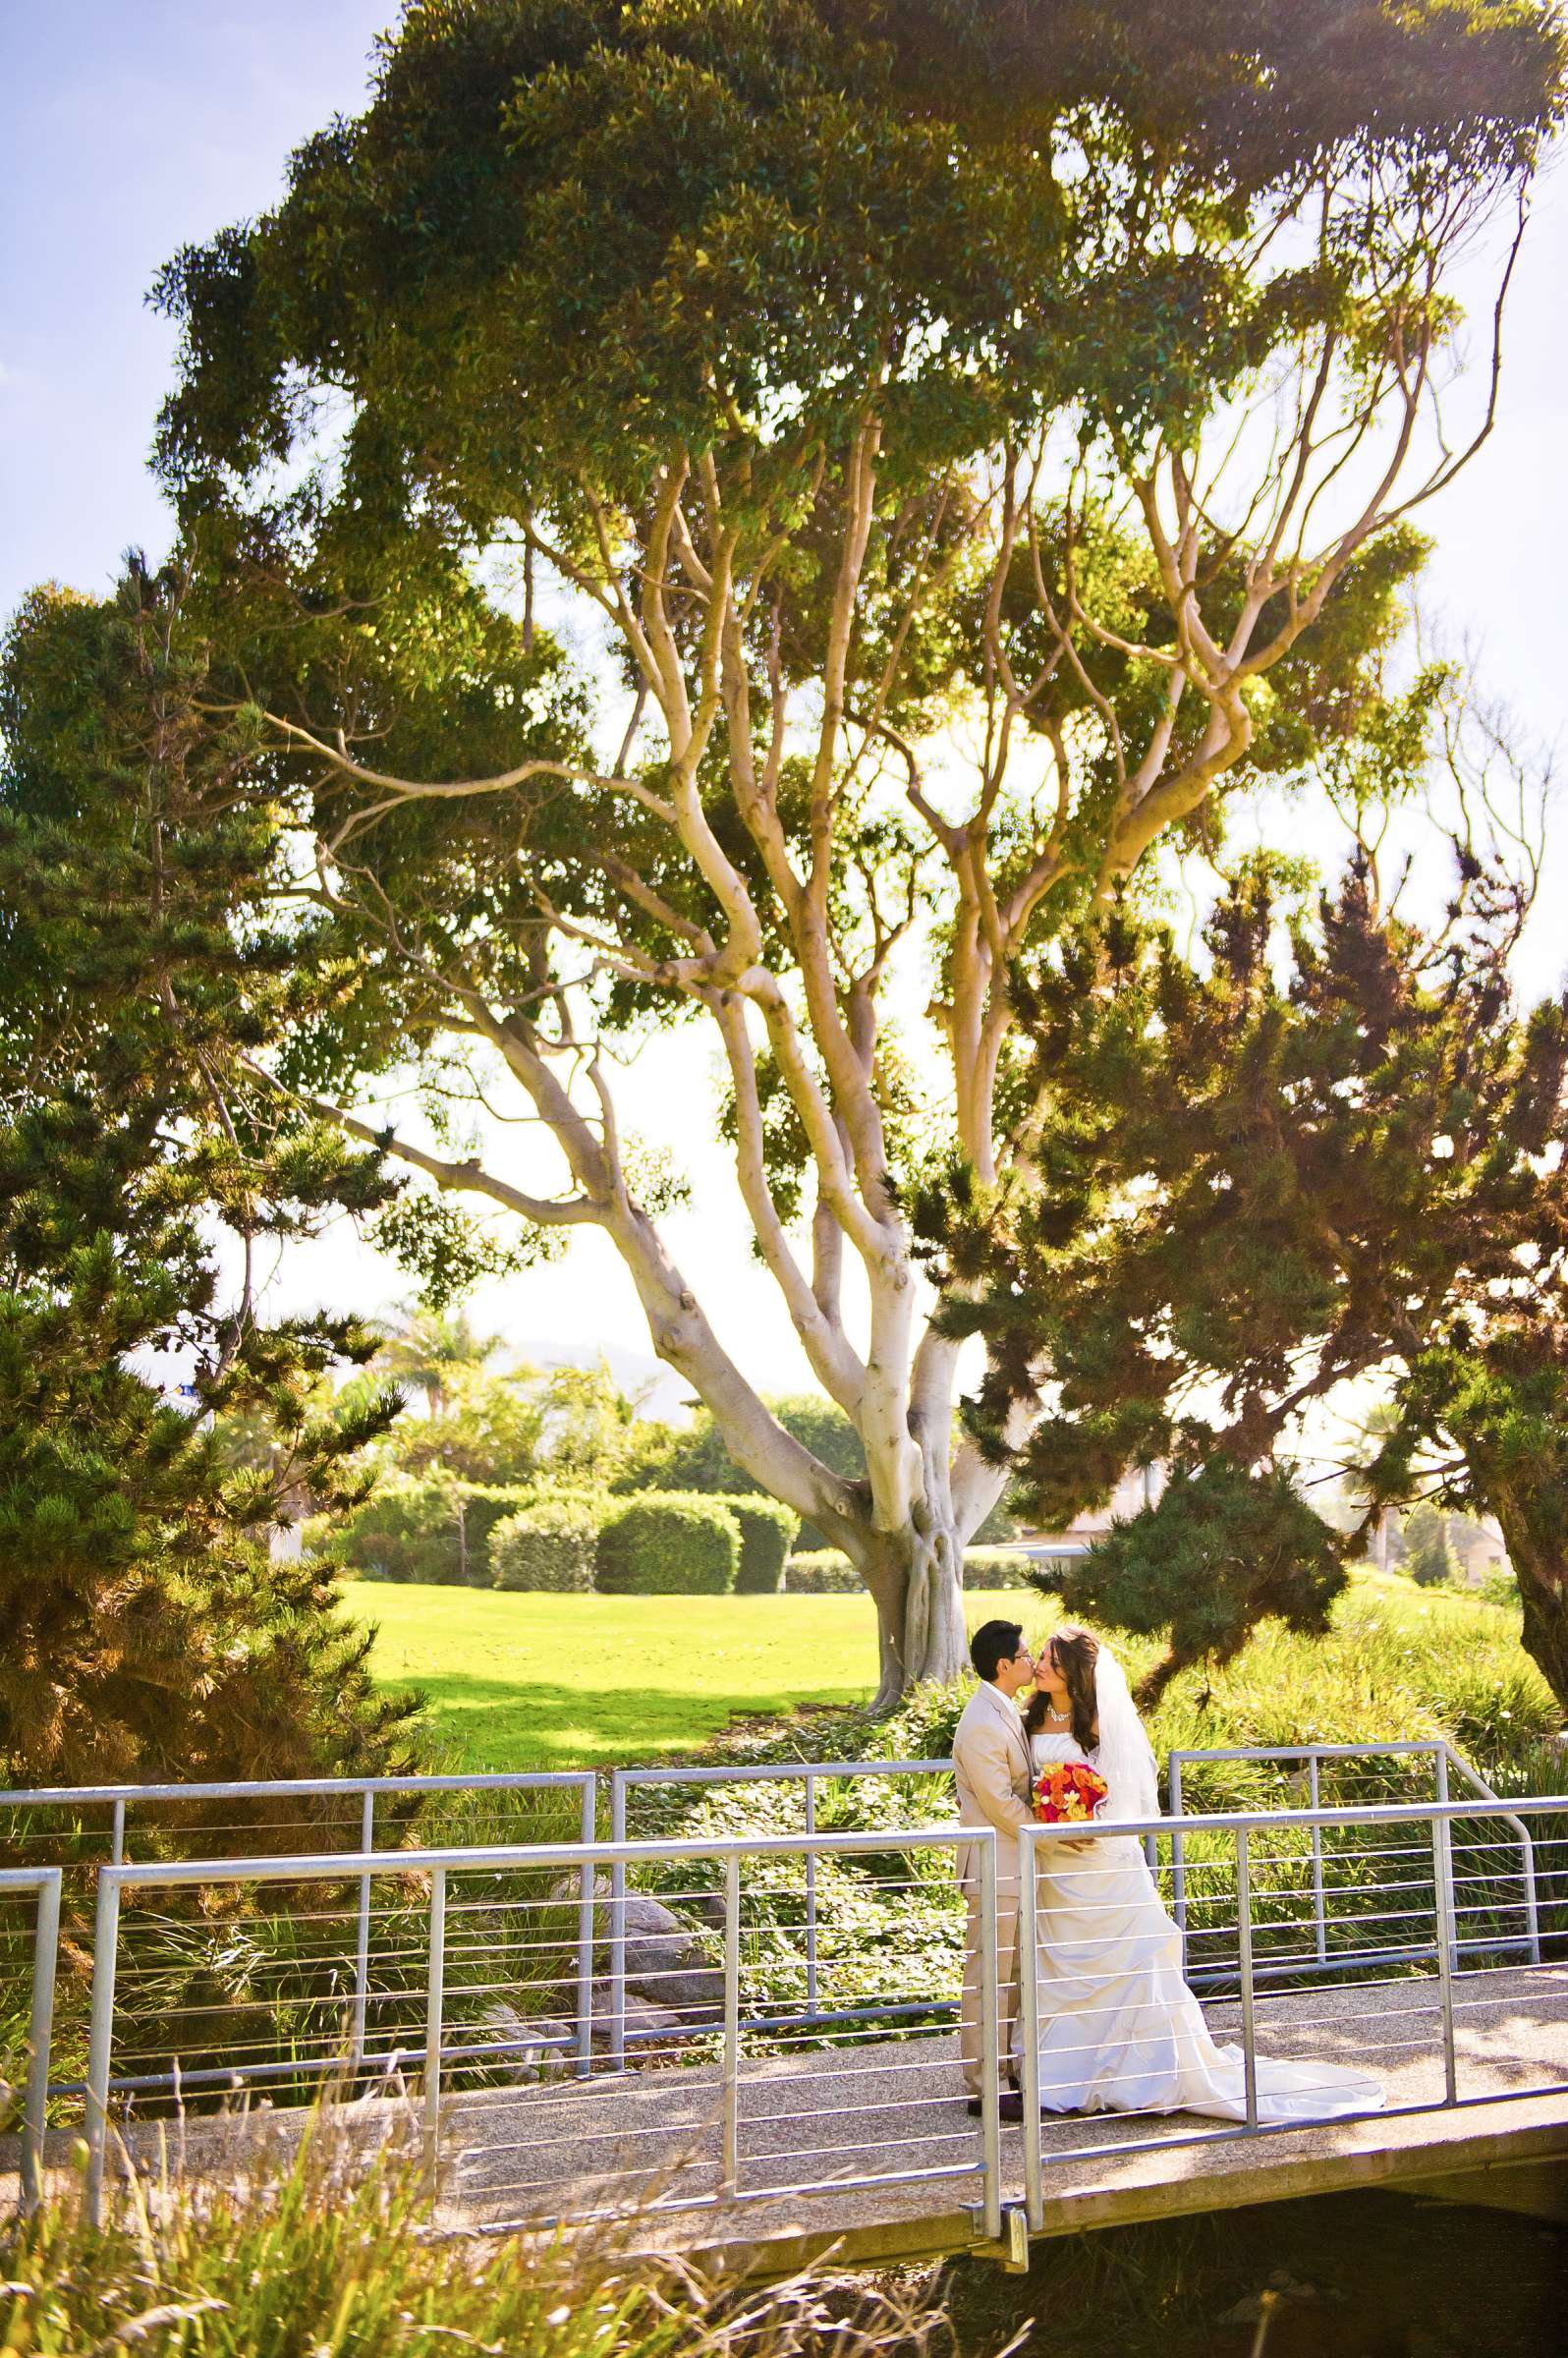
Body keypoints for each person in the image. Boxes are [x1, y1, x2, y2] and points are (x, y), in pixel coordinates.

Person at [1019, 1624, 1384, 2122]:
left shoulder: (1102, 1722)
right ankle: (1061, 2070)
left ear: (1074, 1672)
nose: (1039, 1664)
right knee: (1057, 1966)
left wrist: (1087, 1823)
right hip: (1053, 1867)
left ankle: (1135, 2073)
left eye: (1049, 1658)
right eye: (1039, 1655)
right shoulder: (1033, 1717)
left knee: (1127, 1968)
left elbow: (1122, 1790)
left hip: (1098, 1861)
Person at [950, 1618, 1037, 2121]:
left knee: (1016, 1975)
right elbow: (1001, 1803)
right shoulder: (981, 1721)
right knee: (989, 1977)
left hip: (1015, 1865)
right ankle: (984, 2083)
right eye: (1025, 1656)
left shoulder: (1004, 1709)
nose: (1031, 1662)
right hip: (994, 1868)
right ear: (1003, 1665)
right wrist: (1049, 1834)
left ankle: (1011, 2072)